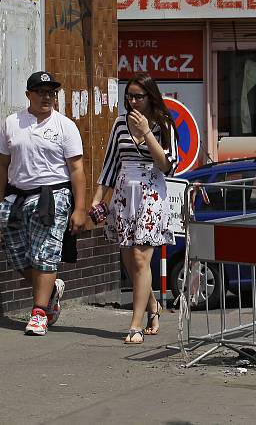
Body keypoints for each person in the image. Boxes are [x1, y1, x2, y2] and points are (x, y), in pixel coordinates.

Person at [0, 71, 87, 336]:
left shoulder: (65, 126)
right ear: (28, 95)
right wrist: (0, 200)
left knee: (45, 253)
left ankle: (38, 313)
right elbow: (2, 164)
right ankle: (51, 289)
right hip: (16, 196)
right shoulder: (12, 123)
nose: (47, 97)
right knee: (18, 256)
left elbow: (77, 169)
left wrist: (79, 209)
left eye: (51, 93)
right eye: (41, 92)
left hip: (52, 195)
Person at [91, 74, 178, 344]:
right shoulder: (119, 124)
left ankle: (135, 325)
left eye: (138, 96)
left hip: (151, 190)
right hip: (123, 191)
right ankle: (152, 305)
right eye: (129, 96)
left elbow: (168, 165)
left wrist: (147, 133)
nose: (133, 102)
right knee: (129, 259)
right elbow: (109, 164)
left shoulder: (164, 124)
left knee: (141, 259)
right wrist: (97, 199)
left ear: (151, 97)